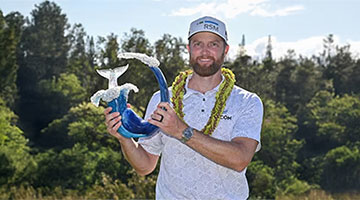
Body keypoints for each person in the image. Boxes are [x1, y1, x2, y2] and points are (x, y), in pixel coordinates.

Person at [104, 16, 263, 199]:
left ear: (225, 50)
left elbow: (240, 159)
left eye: (213, 44)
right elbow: (145, 166)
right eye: (197, 44)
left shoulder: (247, 101)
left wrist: (181, 130)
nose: (204, 52)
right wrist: (124, 137)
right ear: (188, 49)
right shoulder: (162, 100)